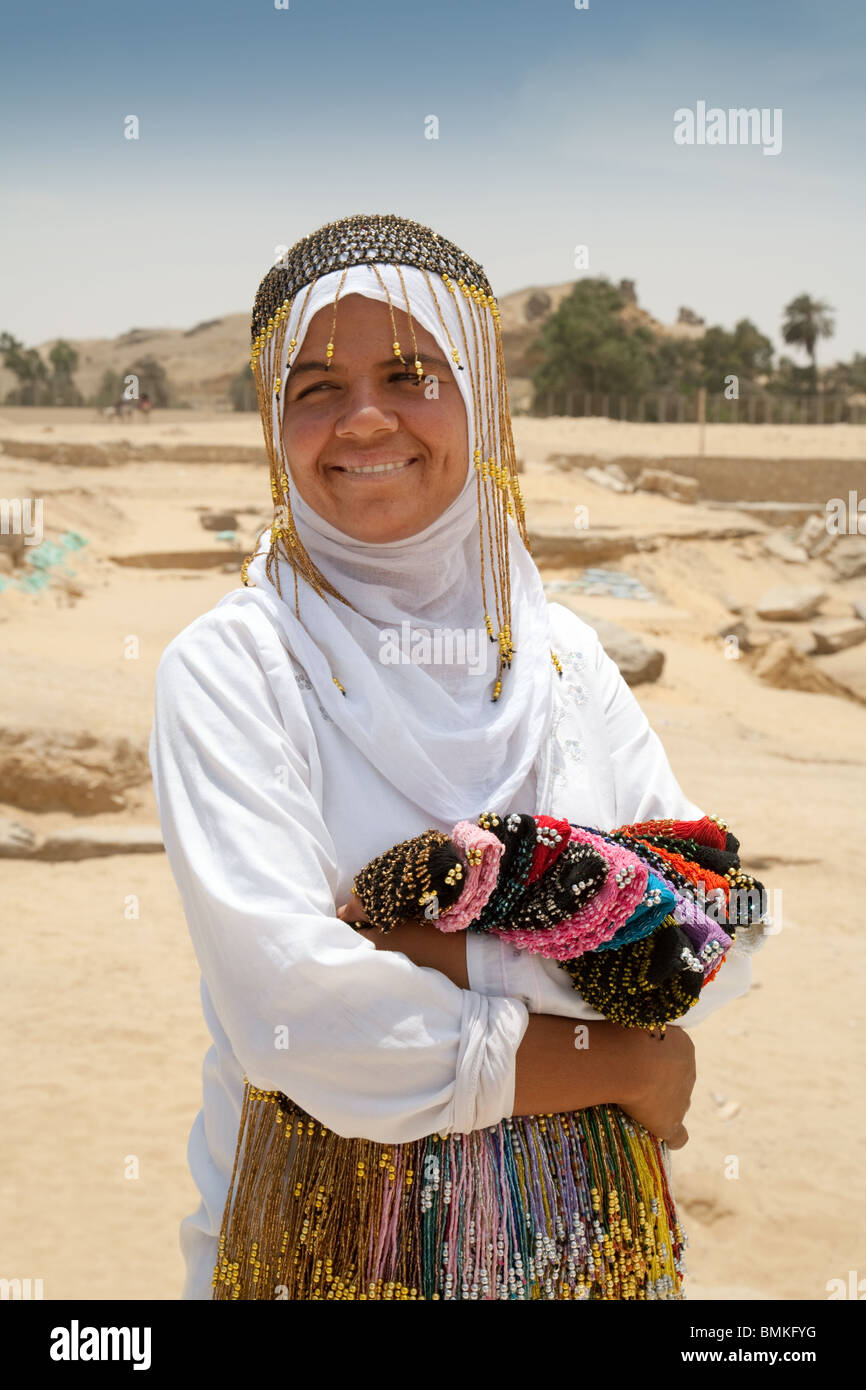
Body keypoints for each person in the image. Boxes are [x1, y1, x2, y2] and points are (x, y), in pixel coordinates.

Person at [148, 213, 752, 1300]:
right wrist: (615, 1052)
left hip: (593, 1252)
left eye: (411, 372)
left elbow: (716, 937)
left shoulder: (563, 659)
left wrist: (427, 947)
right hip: (320, 1250)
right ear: (273, 423)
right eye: (315, 386)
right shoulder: (232, 667)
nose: (364, 417)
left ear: (479, 402)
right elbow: (299, 1018)